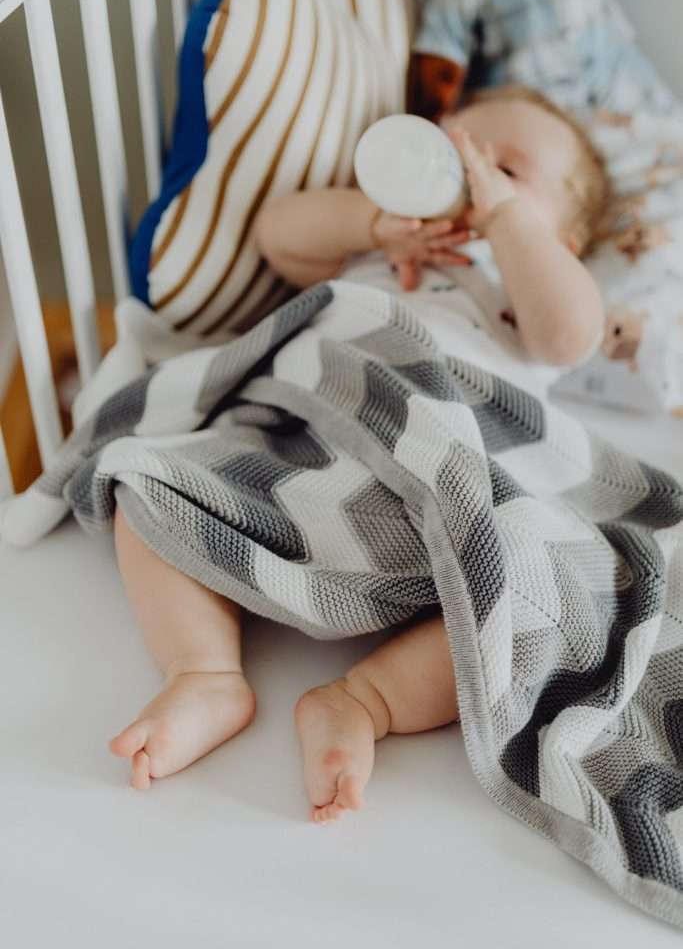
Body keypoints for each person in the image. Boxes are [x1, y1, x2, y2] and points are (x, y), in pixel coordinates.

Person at [109, 84, 609, 824]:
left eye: (507, 170)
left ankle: (364, 699)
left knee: (537, 588)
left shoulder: (524, 290)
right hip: (314, 435)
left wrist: (505, 222)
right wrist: (376, 224)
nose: (471, 171)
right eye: (453, 149)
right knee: (149, 482)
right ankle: (205, 671)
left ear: (563, 240)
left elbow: (570, 334)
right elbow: (279, 235)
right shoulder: (381, 242)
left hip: (452, 467)